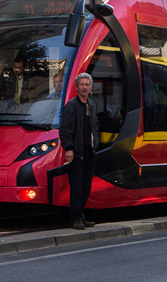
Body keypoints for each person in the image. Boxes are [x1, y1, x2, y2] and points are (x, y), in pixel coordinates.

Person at [59, 73, 100, 230]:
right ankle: (75, 218)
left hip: (90, 153)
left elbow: (95, 126)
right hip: (77, 153)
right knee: (76, 187)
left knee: (86, 187)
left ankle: (81, 216)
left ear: (90, 87)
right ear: (77, 87)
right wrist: (69, 148)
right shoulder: (72, 105)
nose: (84, 87)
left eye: (87, 85)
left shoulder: (92, 105)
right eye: (81, 84)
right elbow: (66, 129)